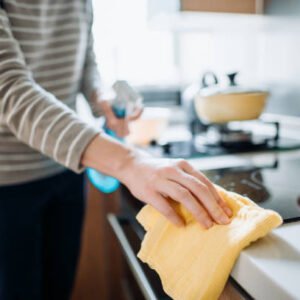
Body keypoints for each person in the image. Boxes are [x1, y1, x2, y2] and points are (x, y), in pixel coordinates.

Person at [0, 1, 232, 299]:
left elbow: (85, 64)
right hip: (7, 182)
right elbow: (8, 90)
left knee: (59, 289)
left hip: (66, 169)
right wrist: (130, 162)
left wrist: (102, 97)